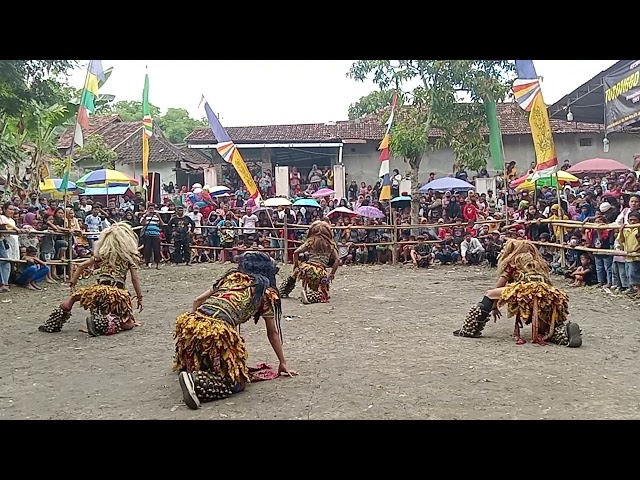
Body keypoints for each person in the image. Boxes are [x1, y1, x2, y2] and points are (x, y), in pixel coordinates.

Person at [175, 252, 297, 410]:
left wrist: (192, 336)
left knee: (209, 353)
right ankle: (195, 381)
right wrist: (282, 362)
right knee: (237, 382)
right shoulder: (264, 293)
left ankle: (190, 364)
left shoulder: (231, 277)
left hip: (190, 323)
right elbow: (272, 333)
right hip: (217, 330)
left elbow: (197, 301)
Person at [453, 239, 582, 347]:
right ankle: (564, 332)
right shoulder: (540, 263)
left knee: (490, 293)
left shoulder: (514, 261)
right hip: (547, 292)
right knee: (545, 324)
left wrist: (495, 304)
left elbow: (500, 284)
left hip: (524, 289)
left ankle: (470, 328)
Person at [38, 222, 144, 336]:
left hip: (96, 292)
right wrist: (139, 297)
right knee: (126, 323)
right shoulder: (128, 259)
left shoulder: (101, 256)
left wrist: (73, 283)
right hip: (117, 295)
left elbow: (81, 266)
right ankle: (102, 323)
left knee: (73, 299)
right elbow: (135, 279)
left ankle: (52, 324)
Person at [278, 220, 338, 304]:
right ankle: (311, 296)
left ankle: (283, 290)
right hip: (320, 272)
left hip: (306, 268)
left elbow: (296, 252)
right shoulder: (330, 244)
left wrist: (296, 265)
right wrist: (332, 274)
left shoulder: (311, 241)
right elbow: (337, 260)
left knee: (295, 273)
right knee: (323, 293)